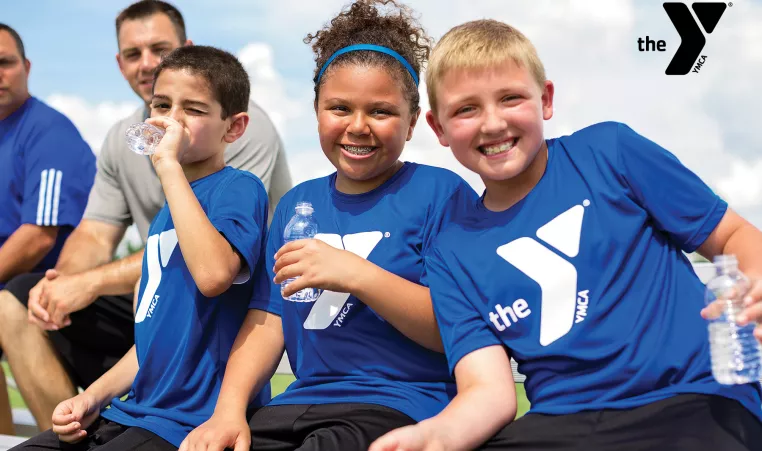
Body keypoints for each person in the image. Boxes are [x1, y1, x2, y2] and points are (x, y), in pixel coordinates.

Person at [371, 19, 762, 451]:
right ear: (439, 128)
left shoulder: (610, 153)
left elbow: (732, 235)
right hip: (561, 423)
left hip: (693, 400)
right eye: (467, 109)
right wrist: (435, 436)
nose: (493, 123)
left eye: (511, 98)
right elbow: (488, 390)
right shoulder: (450, 252)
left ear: (546, 99)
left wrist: (756, 276)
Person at [180, 1, 476, 450]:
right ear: (317, 110)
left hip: (401, 405)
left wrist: (355, 273)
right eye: (339, 108)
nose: (358, 127)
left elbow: (454, 327)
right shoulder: (297, 204)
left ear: (413, 121)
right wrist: (229, 411)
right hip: (298, 404)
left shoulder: (441, 193)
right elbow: (268, 317)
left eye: (381, 112)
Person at [0, 0, 291, 432]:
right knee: (20, 299)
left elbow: (214, 263)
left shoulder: (232, 133)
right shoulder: (123, 138)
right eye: (134, 55)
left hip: (229, 317)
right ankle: (68, 423)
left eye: (160, 50)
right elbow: (96, 235)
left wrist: (93, 282)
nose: (148, 64)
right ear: (119, 64)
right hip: (156, 304)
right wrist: (60, 289)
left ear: (186, 50)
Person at [0, 23, 95, 435]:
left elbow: (39, 235)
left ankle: (60, 442)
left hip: (52, 295)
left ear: (27, 66)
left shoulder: (48, 132)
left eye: (4, 63)